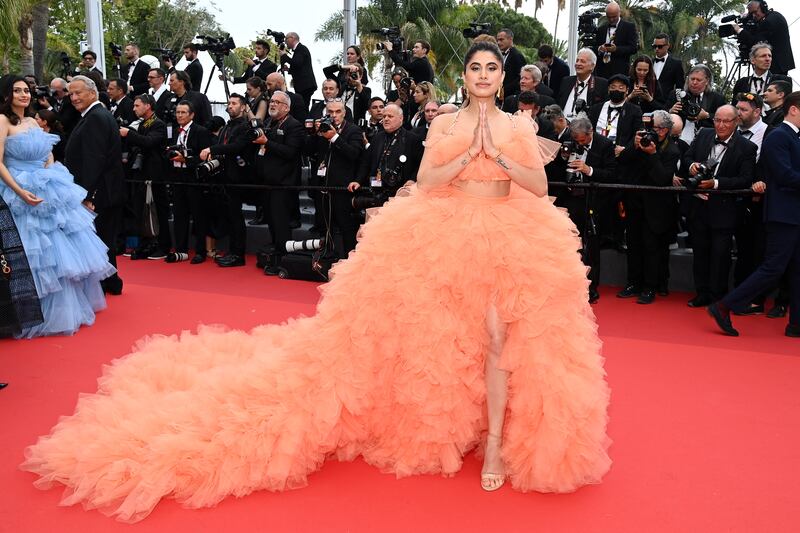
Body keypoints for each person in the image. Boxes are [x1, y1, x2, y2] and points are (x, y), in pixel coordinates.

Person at [21, 42, 611, 521]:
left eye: (492, 69)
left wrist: (500, 157)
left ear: (503, 79)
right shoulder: (449, 121)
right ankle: (455, 428)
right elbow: (429, 178)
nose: (484, 75)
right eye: (475, 68)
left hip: (509, 238)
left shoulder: (517, 125)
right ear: (465, 76)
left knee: (501, 341)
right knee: (443, 342)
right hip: (448, 234)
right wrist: (467, 155)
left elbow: (538, 187)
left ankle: (496, 446)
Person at [0, 75, 116, 337]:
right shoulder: (2, 121)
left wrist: (50, 170)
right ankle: (24, 309)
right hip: (15, 191)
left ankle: (57, 309)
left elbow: (47, 151)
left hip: (45, 188)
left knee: (56, 251)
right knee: (27, 251)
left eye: (26, 90)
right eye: (16, 91)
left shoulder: (32, 121)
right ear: (6, 95)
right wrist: (19, 191)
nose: (23, 95)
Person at [708, 91, 800, 337]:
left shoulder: (792, 137)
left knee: (796, 269)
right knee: (772, 268)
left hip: (793, 214)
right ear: (793, 109)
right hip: (783, 215)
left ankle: (796, 324)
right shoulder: (779, 136)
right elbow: (784, 175)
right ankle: (724, 305)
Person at [682, 105, 757, 307]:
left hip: (724, 211)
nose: (721, 125)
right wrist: (692, 166)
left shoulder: (747, 147)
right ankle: (702, 293)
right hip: (698, 208)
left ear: (736, 122)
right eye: (717, 120)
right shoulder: (704, 134)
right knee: (700, 253)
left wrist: (715, 184)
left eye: (726, 121)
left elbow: (745, 179)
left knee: (720, 256)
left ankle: (718, 298)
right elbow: (686, 157)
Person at [64, 76, 126, 296]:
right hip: (104, 190)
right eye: (70, 93)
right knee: (104, 239)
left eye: (78, 92)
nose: (73, 97)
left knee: (100, 239)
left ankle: (106, 282)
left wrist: (87, 194)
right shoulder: (95, 115)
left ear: (92, 92)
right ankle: (110, 281)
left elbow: (94, 159)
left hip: (101, 192)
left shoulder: (96, 118)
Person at [615, 110, 681, 304]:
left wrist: (652, 154)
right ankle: (633, 283)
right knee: (633, 245)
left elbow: (662, 179)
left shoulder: (672, 150)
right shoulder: (640, 140)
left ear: (666, 130)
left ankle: (650, 287)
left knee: (652, 247)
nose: (651, 133)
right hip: (634, 202)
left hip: (657, 207)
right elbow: (623, 161)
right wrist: (634, 146)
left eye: (657, 129)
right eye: (649, 128)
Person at [252, 91, 304, 274]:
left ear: (286, 107)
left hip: (284, 184)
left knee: (281, 224)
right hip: (267, 182)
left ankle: (284, 261)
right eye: (271, 101)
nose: (272, 104)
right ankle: (275, 257)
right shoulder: (268, 123)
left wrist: (267, 142)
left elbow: (290, 152)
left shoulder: (294, 125)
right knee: (272, 223)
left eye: (277, 102)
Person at [200, 94, 254, 267]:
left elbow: (236, 147)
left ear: (243, 107)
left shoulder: (246, 127)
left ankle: (238, 255)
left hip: (238, 177)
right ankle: (232, 251)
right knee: (230, 216)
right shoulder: (226, 126)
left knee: (236, 217)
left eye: (234, 103)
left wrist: (212, 149)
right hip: (223, 177)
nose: (230, 106)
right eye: (229, 103)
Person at [119, 94, 170, 261]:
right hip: (141, 173)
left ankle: (163, 245)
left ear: (148, 106)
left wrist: (129, 134)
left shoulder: (159, 124)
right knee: (141, 209)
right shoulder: (143, 124)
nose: (134, 109)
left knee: (159, 210)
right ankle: (147, 244)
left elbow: (149, 142)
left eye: (137, 105)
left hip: (156, 175)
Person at [733, 0, 795, 76]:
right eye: (751, 14)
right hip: (780, 63)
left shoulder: (767, 22)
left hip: (775, 66)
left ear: (763, 7)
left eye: (755, 12)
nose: (753, 16)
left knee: (772, 87)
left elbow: (756, 42)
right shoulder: (775, 15)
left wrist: (739, 30)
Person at [667, 64, 725, 144]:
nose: (694, 82)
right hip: (678, 141)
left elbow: (724, 119)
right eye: (692, 79)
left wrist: (707, 116)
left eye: (698, 80)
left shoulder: (717, 98)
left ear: (707, 81)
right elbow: (662, 113)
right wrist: (670, 111)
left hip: (704, 142)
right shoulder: (676, 94)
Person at [557, 48, 609, 120]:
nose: (578, 64)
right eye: (577, 60)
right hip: (564, 127)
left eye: (583, 61)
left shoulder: (601, 84)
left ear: (592, 66)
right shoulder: (566, 81)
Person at [593, 1, 639, 79]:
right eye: (609, 17)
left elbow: (633, 48)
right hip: (601, 71)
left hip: (620, 71)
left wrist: (616, 49)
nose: (611, 19)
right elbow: (594, 47)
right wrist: (600, 48)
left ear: (619, 13)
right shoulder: (601, 29)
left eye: (614, 17)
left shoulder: (629, 27)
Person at [279, 32, 317, 109]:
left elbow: (297, 63)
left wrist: (284, 56)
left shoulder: (301, 48)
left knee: (303, 107)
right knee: (302, 106)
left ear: (292, 38)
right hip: (302, 85)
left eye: (286, 39)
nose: (285, 42)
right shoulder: (298, 50)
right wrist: (288, 69)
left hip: (305, 85)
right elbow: (300, 67)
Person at [651, 33, 685, 98]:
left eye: (660, 46)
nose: (657, 49)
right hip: (647, 102)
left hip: (666, 103)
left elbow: (679, 87)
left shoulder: (676, 64)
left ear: (668, 46)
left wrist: (678, 102)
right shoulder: (650, 62)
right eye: (655, 46)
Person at [497, 29, 526, 98]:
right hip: (500, 95)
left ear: (510, 39)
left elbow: (520, 78)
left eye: (501, 40)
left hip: (512, 96)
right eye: (497, 40)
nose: (498, 43)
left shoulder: (517, 56)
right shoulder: (499, 55)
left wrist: (504, 90)